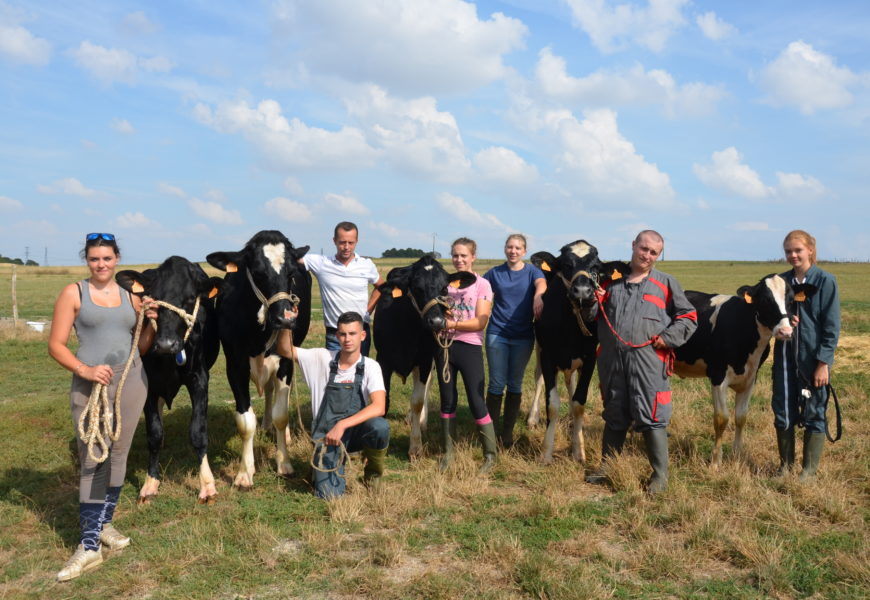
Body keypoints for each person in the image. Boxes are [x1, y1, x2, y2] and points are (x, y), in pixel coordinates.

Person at [48, 233, 155, 581]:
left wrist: (149, 321)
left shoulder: (130, 297)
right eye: (94, 259)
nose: (101, 264)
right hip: (91, 384)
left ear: (117, 259)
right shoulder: (74, 293)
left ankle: (104, 524)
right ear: (87, 261)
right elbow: (56, 345)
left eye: (107, 258)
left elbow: (141, 346)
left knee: (120, 454)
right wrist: (86, 370)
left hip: (131, 381)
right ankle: (89, 544)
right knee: (94, 458)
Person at [588, 230, 697, 494]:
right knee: (614, 413)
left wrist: (668, 338)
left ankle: (660, 476)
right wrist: (593, 299)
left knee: (653, 415)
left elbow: (688, 317)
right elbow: (593, 315)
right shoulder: (611, 281)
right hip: (612, 360)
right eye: (643, 248)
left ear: (658, 255)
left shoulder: (666, 283)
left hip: (648, 361)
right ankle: (608, 468)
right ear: (633, 245)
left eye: (653, 252)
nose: (646, 255)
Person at [276, 311, 389, 498]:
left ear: (362, 335)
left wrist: (342, 424)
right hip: (326, 437)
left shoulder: (370, 366)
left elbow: (379, 407)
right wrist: (286, 324)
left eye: (352, 334)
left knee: (380, 427)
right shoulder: (321, 358)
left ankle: (373, 474)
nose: (347, 339)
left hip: (353, 433)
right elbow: (285, 350)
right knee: (330, 496)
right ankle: (321, 470)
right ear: (337, 335)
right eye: (343, 334)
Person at [772, 230, 840, 480]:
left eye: (797, 250)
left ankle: (808, 471)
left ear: (810, 249)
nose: (793, 255)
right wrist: (779, 327)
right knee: (783, 409)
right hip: (785, 358)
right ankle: (785, 467)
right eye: (788, 251)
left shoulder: (825, 281)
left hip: (813, 359)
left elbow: (831, 327)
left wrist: (823, 363)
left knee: (814, 410)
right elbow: (771, 315)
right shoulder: (780, 281)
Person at [437, 238, 497, 472]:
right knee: (447, 399)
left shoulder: (482, 285)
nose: (459, 260)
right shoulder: (445, 285)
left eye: (463, 255)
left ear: (473, 257)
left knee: (475, 399)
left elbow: (480, 322)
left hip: (469, 346)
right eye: (455, 255)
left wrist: (449, 322)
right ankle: (448, 453)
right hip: (444, 347)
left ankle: (490, 455)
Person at [483, 233, 546, 448]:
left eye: (518, 248)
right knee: (497, 382)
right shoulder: (495, 273)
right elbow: (481, 289)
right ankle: (489, 434)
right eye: (510, 247)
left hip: (523, 336)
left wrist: (538, 296)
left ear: (524, 251)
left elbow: (541, 284)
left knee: (515, 383)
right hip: (497, 334)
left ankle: (507, 434)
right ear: (505, 249)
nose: (513, 251)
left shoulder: (532, 272)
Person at [302, 222, 385, 356]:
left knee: (360, 373)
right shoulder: (321, 263)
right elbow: (291, 258)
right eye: (342, 242)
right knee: (335, 374)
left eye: (351, 243)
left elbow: (381, 286)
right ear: (334, 241)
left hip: (360, 333)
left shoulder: (366, 265)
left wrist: (368, 309)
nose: (346, 247)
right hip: (335, 334)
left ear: (356, 241)